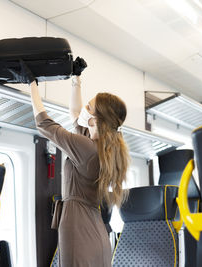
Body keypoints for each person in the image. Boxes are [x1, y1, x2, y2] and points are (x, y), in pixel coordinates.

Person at [9, 58, 130, 267]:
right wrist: (76, 78)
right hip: (93, 230)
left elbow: (44, 124)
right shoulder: (97, 146)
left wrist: (31, 83)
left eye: (89, 107)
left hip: (77, 226)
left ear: (95, 119)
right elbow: (75, 114)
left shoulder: (87, 148)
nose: (84, 108)